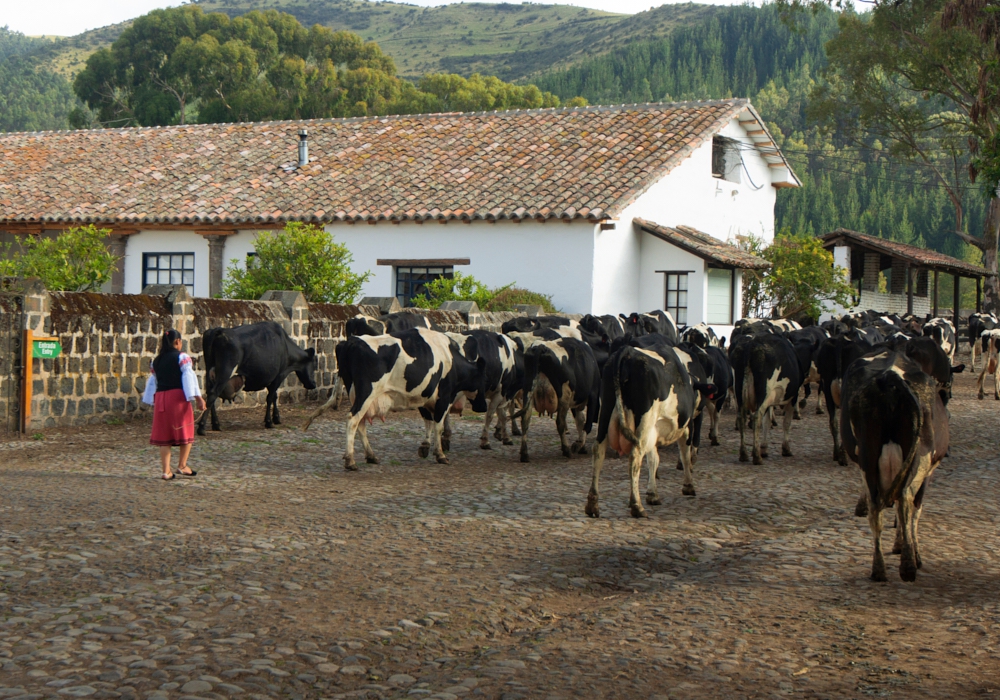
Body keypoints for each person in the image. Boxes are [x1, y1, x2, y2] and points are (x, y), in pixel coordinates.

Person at [142, 329, 208, 480]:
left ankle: (166, 471)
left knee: (164, 434)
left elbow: (155, 382)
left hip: (161, 398)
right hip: (177, 398)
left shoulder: (156, 361)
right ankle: (182, 465)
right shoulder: (182, 357)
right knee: (186, 429)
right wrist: (198, 398)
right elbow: (189, 378)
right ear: (177, 342)